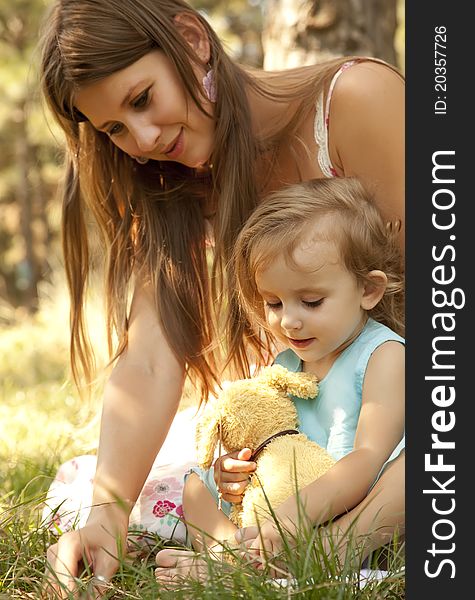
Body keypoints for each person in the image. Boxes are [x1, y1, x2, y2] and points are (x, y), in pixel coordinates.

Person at [38, 0, 404, 594]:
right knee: (134, 488)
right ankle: (267, 547)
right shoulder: (173, 183)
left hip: (410, 401)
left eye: (140, 100)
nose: (144, 141)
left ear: (191, 39)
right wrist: (106, 515)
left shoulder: (356, 100)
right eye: (114, 130)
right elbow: (152, 358)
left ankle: (331, 552)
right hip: (317, 431)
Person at [157, 177, 405, 582]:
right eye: (273, 302)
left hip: (355, 512)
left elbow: (368, 459)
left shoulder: (384, 355)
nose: (288, 320)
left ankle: (330, 550)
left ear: (368, 290)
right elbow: (271, 442)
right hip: (281, 509)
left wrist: (294, 516)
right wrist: (233, 474)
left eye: (311, 301)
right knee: (194, 486)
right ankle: (238, 559)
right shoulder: (287, 363)